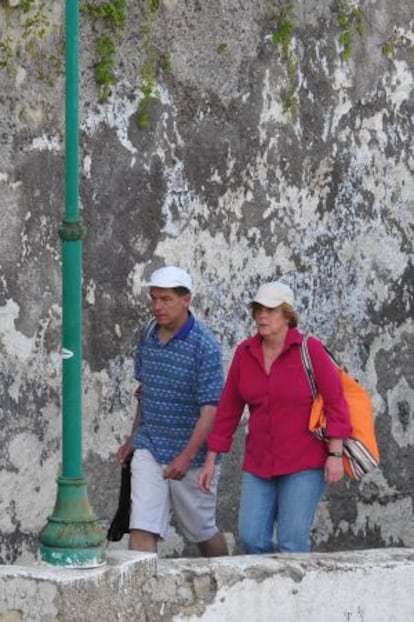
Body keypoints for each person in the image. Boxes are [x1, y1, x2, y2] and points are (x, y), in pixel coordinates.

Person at [199, 281, 351, 554]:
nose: (261, 316)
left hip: (303, 462)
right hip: (259, 463)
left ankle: (297, 597)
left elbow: (336, 402)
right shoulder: (245, 354)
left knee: (292, 542)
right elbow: (228, 411)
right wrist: (211, 458)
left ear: (287, 315)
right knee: (250, 538)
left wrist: (335, 455)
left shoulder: (310, 349)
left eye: (269, 310)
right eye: (258, 309)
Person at [118, 265, 228, 557]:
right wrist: (133, 438)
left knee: (201, 531)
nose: (156, 306)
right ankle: (143, 599)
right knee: (141, 525)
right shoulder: (148, 334)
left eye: (165, 299)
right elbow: (145, 390)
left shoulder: (204, 347)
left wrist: (187, 455)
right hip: (150, 444)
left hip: (192, 455)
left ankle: (227, 585)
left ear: (186, 300)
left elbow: (211, 409)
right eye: (154, 298)